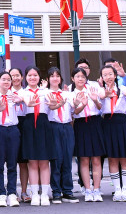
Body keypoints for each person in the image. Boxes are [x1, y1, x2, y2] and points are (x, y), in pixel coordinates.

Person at [19, 66, 54, 206]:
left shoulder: (46, 91)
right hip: (28, 125)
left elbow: (52, 106)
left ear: (39, 77)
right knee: (32, 161)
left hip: (43, 124)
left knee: (44, 161)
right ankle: (34, 194)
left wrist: (54, 104)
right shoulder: (22, 92)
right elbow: (20, 101)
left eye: (35, 75)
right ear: (25, 77)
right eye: (29, 75)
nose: (32, 78)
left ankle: (44, 194)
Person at [100, 65, 126, 202]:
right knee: (113, 158)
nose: (108, 77)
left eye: (110, 74)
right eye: (105, 75)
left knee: (125, 157)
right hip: (108, 123)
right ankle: (117, 190)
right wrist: (106, 94)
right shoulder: (100, 91)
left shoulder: (123, 89)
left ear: (115, 75)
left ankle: (125, 190)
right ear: (102, 78)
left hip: (121, 123)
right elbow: (101, 97)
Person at [0, 70, 23, 207]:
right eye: (4, 79)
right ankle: (1, 194)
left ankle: (12, 193)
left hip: (13, 130)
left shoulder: (15, 96)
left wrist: (21, 100)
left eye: (9, 80)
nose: (7, 82)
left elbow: (25, 103)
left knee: (12, 164)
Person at [70, 67, 104, 202]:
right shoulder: (71, 94)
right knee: (84, 159)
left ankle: (97, 189)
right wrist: (82, 104)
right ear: (73, 78)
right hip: (80, 125)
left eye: (83, 77)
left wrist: (95, 100)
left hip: (94, 123)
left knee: (96, 159)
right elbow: (74, 113)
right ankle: (88, 189)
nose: (80, 79)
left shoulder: (92, 89)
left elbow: (100, 107)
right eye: (77, 76)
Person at [45, 67, 77, 204]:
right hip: (53, 126)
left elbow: (74, 111)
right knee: (56, 160)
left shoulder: (67, 94)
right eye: (52, 76)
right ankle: (56, 191)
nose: (55, 78)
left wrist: (77, 103)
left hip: (67, 126)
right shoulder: (45, 93)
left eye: (57, 76)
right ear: (48, 79)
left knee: (67, 158)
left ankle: (68, 191)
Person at [9, 67, 30, 202]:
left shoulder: (27, 92)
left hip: (24, 124)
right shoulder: (6, 93)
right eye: (12, 76)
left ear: (22, 77)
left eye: (18, 75)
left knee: (23, 161)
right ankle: (12, 190)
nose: (15, 78)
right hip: (11, 125)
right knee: (11, 161)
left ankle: (24, 191)